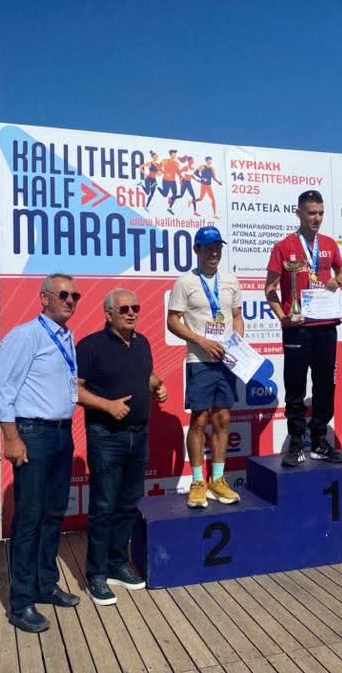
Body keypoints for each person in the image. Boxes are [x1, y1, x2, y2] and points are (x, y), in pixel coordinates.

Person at [0, 273, 82, 633]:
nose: (70, 300)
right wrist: (12, 439)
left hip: (61, 434)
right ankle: (21, 602)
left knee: (53, 514)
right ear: (44, 298)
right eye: (63, 294)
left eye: (75, 296)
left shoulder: (67, 337)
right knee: (29, 518)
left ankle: (46, 585)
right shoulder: (25, 336)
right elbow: (3, 392)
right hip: (33, 434)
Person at [77, 289, 168, 604]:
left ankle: (117, 564)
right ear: (109, 314)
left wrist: (157, 386)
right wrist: (107, 405)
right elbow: (74, 389)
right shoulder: (90, 346)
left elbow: (144, 376)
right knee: (103, 507)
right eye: (124, 309)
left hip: (139, 435)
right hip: (106, 436)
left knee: (128, 504)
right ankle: (97, 574)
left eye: (135, 308)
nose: (131, 313)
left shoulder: (142, 343)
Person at [265, 190, 342, 467]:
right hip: (298, 328)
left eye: (321, 213)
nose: (317, 218)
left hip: (326, 326)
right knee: (296, 387)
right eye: (312, 213)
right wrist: (283, 317)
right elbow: (269, 289)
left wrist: (338, 280)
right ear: (299, 213)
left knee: (325, 385)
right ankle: (296, 442)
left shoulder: (329, 243)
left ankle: (320, 440)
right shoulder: (284, 246)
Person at [167, 226, 243, 509]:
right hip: (199, 361)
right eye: (208, 248)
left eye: (217, 248)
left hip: (226, 362)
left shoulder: (231, 281)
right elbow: (172, 321)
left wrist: (237, 342)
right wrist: (201, 341)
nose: (214, 253)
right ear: (196, 250)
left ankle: (218, 479)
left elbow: (237, 316)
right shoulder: (185, 282)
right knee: (199, 420)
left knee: (223, 419)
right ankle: (198, 481)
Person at [159, 149, 181, 214]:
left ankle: (169, 208)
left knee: (175, 195)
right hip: (165, 180)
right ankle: (156, 186)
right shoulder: (165, 160)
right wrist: (164, 172)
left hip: (173, 181)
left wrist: (181, 178)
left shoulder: (177, 163)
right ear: (170, 155)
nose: (175, 155)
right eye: (174, 154)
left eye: (175, 154)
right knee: (165, 194)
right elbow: (158, 167)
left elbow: (178, 172)